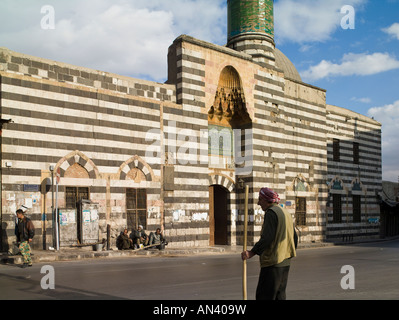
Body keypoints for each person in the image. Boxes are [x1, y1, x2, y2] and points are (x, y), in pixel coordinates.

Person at [241, 187, 298, 300]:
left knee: (265, 296)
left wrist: (252, 252)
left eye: (260, 199)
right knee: (279, 295)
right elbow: (295, 238)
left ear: (267, 200)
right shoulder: (285, 212)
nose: (258, 203)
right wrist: (288, 253)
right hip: (285, 262)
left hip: (273, 262)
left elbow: (267, 238)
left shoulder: (271, 213)